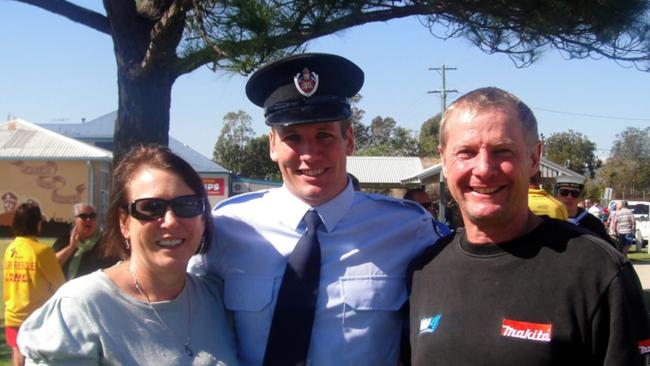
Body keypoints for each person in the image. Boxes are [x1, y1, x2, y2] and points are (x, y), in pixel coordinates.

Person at [194, 53, 447, 366]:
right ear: (272, 144)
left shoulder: (409, 228)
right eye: (293, 138)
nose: (310, 154)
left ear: (349, 140)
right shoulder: (228, 226)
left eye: (324, 135)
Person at [408, 87, 650, 365]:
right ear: (444, 161)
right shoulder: (424, 269)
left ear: (534, 158)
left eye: (503, 151)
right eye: (466, 152)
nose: (484, 169)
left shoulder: (597, 270)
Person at [18, 145, 238, 365]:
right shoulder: (81, 308)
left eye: (187, 205)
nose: (171, 220)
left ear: (203, 218)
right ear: (124, 222)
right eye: (151, 207)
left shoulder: (217, 299)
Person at [3, 202, 65, 366]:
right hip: (36, 318)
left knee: (17, 357)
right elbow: (60, 285)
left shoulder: (10, 249)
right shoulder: (42, 251)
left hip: (12, 314)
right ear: (38, 223)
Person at [52, 203, 119, 280]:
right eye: (83, 216)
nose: (88, 220)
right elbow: (52, 266)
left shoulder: (106, 244)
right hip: (66, 289)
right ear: (74, 221)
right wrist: (71, 247)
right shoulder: (63, 241)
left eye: (92, 216)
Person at [554, 175, 616, 247]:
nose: (569, 197)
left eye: (575, 193)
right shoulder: (548, 220)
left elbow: (608, 249)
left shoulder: (593, 223)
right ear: (556, 196)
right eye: (564, 192)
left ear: (580, 198)